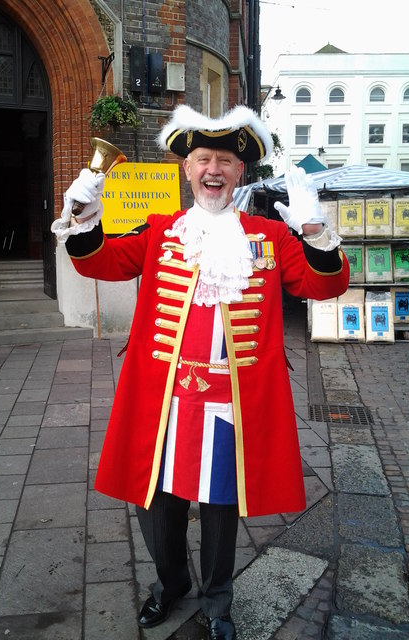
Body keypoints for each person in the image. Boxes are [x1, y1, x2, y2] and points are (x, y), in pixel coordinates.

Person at [52, 104, 349, 640]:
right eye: (203, 159)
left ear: (241, 172)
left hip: (230, 403)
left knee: (218, 508)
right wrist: (81, 219)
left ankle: (218, 603)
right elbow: (98, 263)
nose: (213, 169)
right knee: (156, 503)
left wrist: (314, 231)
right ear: (187, 170)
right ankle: (170, 586)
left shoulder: (269, 238)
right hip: (164, 399)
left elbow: (324, 286)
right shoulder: (163, 231)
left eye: (225, 161)